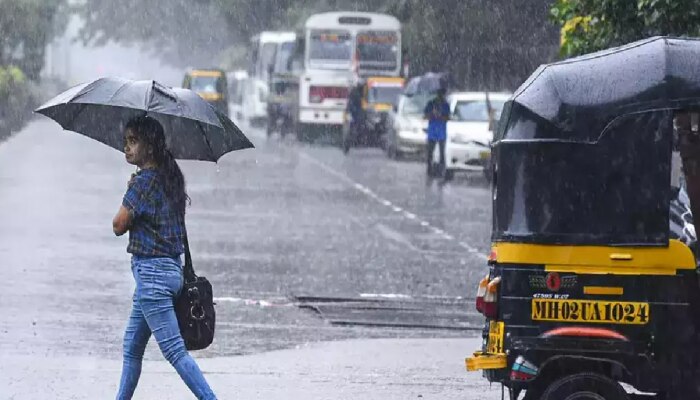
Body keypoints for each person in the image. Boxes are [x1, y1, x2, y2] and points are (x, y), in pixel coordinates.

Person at [112, 115, 217, 400]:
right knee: (132, 346)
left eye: (133, 141)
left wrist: (130, 191)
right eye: (126, 141)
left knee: (173, 351)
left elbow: (118, 225)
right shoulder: (169, 178)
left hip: (152, 278)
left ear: (150, 146)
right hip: (169, 272)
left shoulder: (142, 183)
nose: (127, 148)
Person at [423, 87, 450, 178]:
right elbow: (425, 116)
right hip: (432, 131)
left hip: (441, 131)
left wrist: (440, 116)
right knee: (430, 152)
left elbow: (447, 117)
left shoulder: (445, 105)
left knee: (442, 153)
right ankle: (430, 169)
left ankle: (441, 170)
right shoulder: (431, 104)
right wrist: (432, 114)